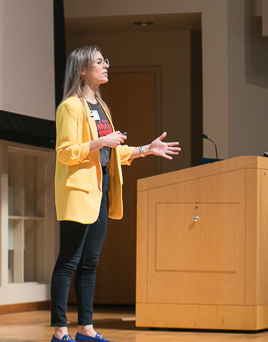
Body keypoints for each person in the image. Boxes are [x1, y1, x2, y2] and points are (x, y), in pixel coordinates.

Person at [50, 46, 181, 342]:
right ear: (83, 70)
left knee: (90, 262)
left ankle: (85, 328)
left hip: (103, 188)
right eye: (99, 61)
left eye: (105, 60)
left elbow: (112, 150)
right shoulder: (69, 107)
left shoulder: (102, 108)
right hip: (80, 191)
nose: (106, 65)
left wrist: (145, 150)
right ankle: (60, 332)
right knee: (69, 261)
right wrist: (101, 141)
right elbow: (66, 154)